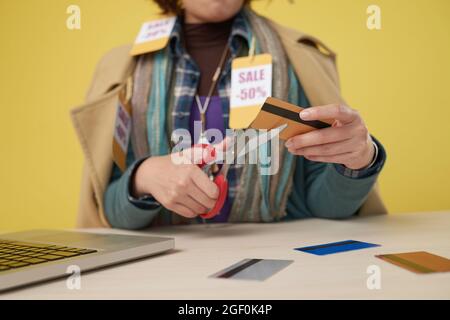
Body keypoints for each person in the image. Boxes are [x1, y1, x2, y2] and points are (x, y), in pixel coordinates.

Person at [71, 0, 387, 229]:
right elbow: (106, 214)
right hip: (163, 278)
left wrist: (359, 161)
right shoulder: (123, 73)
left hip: (285, 269)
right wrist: (144, 177)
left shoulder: (301, 60)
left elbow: (327, 207)